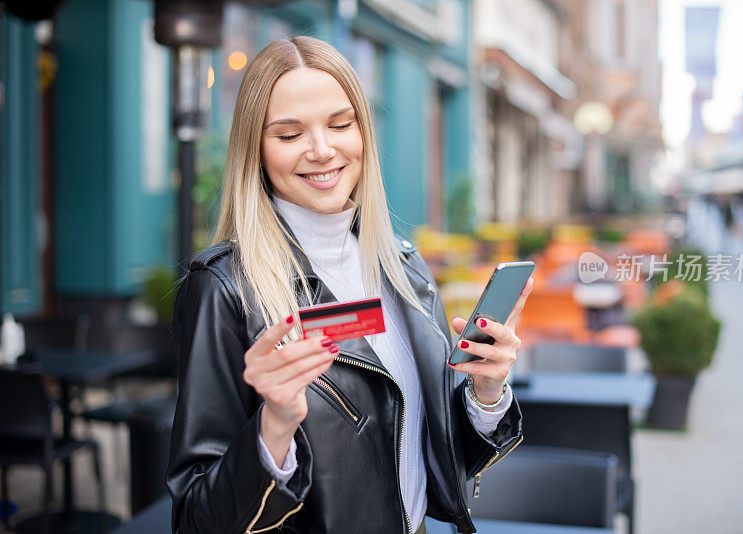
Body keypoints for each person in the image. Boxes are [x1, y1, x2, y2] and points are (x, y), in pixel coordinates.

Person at [167, 36, 531, 534]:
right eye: (289, 134)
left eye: (340, 124)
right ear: (256, 149)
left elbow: (425, 455)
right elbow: (196, 518)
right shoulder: (226, 289)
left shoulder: (402, 265)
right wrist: (274, 426)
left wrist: (486, 390)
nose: (322, 150)